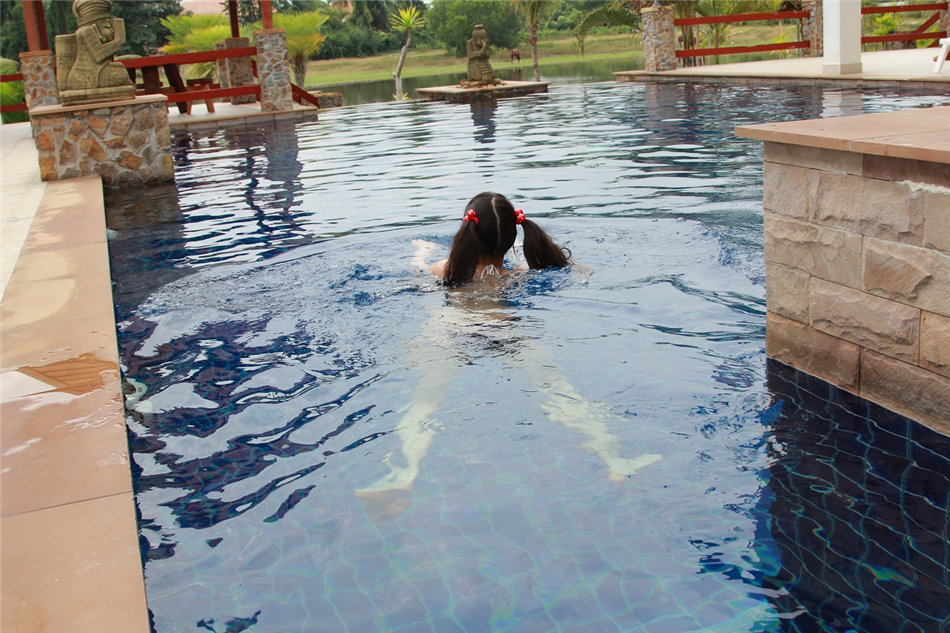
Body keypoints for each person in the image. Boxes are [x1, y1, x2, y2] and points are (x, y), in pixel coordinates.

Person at [431, 192, 571, 286]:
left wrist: (423, 253)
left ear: (467, 232)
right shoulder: (518, 277)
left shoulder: (443, 270)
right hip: (503, 321)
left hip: (454, 322)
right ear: (511, 239)